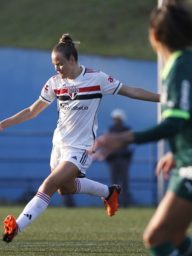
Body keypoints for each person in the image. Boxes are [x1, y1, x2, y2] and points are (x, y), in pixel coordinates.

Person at [0, 33, 159, 243]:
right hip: (59, 145)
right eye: (54, 65)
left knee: (48, 184)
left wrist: (162, 98)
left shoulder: (97, 79)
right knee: (65, 189)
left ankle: (16, 227)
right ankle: (109, 192)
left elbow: (131, 91)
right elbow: (32, 111)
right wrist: (2, 125)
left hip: (81, 148)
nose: (57, 69)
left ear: (72, 60)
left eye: (60, 64)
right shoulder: (55, 83)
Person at [92, 1, 192, 255]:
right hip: (184, 162)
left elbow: (174, 123)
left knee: (156, 238)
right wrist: (175, 151)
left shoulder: (181, 67)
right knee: (177, 236)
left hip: (190, 167)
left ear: (155, 35)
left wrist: (125, 138)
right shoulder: (182, 65)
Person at [106, 109, 133, 207]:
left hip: (123, 159)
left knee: (124, 182)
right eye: (114, 119)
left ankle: (125, 202)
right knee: (114, 182)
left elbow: (130, 145)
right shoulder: (111, 130)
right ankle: (114, 202)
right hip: (113, 160)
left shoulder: (126, 130)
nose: (115, 121)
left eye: (117, 119)